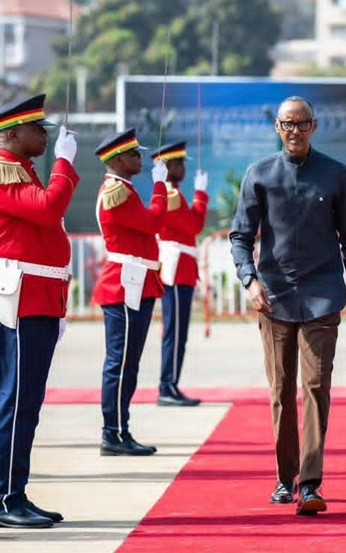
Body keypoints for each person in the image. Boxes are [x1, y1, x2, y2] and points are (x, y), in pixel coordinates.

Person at [229, 96, 346, 516]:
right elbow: (239, 236)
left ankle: (309, 484)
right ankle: (283, 475)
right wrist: (249, 281)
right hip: (273, 298)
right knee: (280, 390)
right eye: (287, 124)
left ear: (314, 126)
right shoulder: (260, 174)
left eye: (302, 123)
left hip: (323, 296)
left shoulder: (336, 174)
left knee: (315, 388)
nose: (294, 131)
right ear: (277, 127)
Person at [0, 94, 78, 528]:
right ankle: (7, 497)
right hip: (22, 301)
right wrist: (64, 165)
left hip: (37, 298)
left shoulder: (22, 170)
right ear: (13, 133)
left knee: (24, 401)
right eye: (37, 129)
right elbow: (48, 210)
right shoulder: (5, 170)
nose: (45, 135)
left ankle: (14, 492)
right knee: (18, 401)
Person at [92, 128, 168, 456]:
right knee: (121, 363)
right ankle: (113, 432)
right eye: (135, 155)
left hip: (135, 280)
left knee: (129, 363)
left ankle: (120, 429)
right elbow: (152, 222)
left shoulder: (125, 189)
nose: (140, 158)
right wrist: (162, 185)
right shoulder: (117, 192)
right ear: (119, 159)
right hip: (125, 283)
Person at [152, 141, 208, 407]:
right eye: (179, 164)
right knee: (174, 333)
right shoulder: (171, 195)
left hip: (182, 268)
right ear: (169, 167)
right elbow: (195, 225)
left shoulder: (173, 194)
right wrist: (200, 194)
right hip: (176, 270)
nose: (183, 168)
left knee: (178, 332)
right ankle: (167, 386)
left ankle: (170, 384)